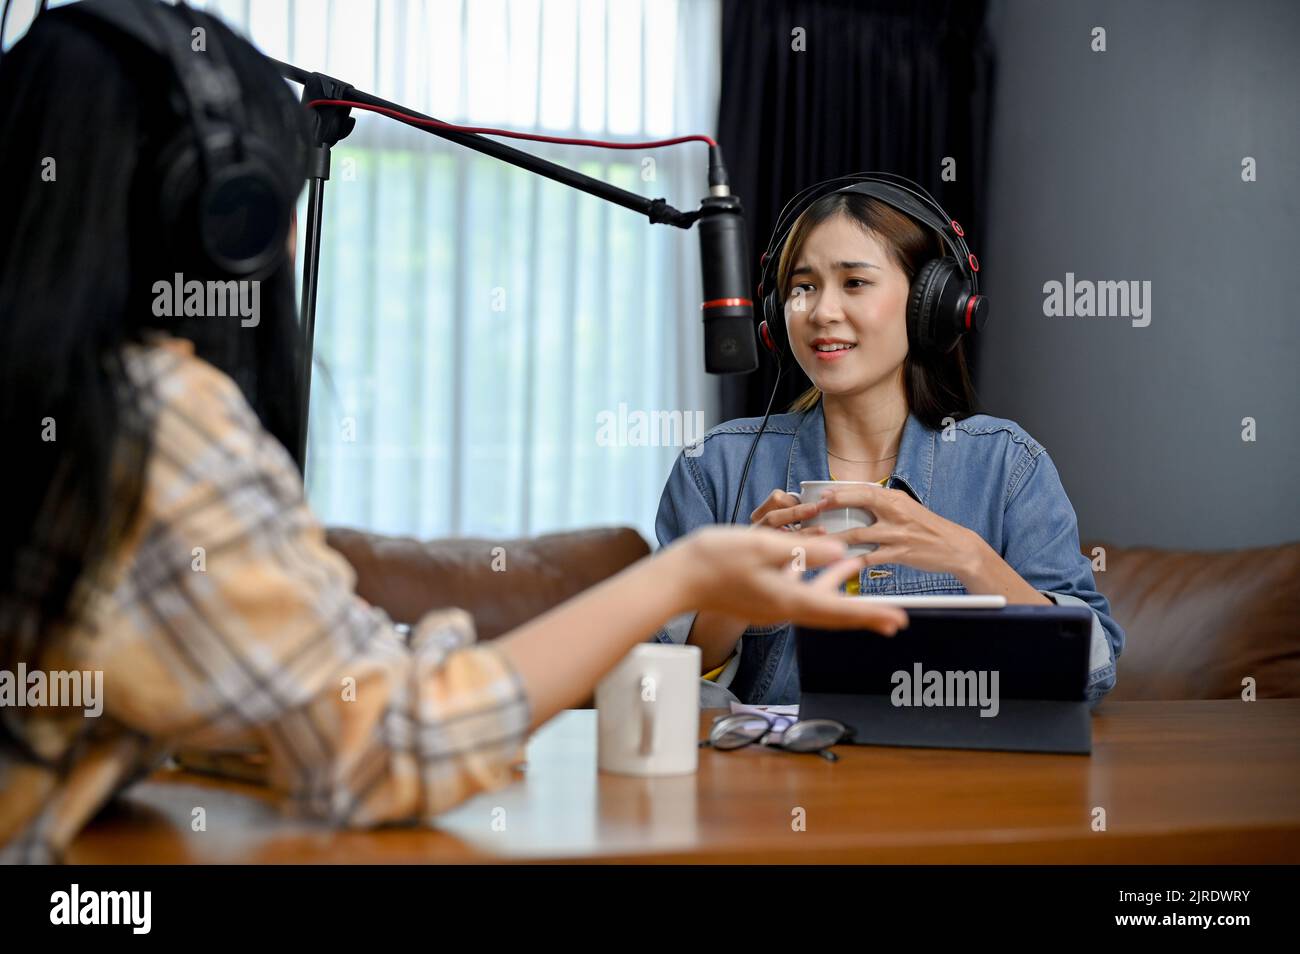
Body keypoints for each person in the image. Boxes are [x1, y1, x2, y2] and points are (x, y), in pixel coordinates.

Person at [0, 0, 908, 863]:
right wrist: (689, 574)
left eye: (856, 283)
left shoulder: (71, 407)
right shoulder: (147, 424)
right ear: (210, 215)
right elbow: (392, 747)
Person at [653, 186, 1124, 706]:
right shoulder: (714, 468)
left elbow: (1091, 671)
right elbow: (656, 688)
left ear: (932, 305)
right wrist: (732, 599)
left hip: (952, 781)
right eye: (802, 287)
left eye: (855, 282)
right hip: (780, 782)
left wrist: (971, 559)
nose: (822, 311)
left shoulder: (1007, 465)